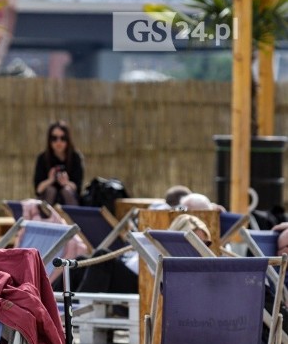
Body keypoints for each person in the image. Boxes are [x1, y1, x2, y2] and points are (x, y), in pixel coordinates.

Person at [71, 214, 213, 294]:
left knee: (102, 258)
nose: (200, 248)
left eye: (205, 244)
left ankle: (77, 307)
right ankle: (56, 308)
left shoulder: (200, 264)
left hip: (141, 289)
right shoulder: (163, 247)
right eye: (194, 242)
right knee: (80, 262)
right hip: (134, 278)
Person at [33, 121, 84, 206]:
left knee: (67, 190)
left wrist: (66, 182)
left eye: (63, 138)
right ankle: (45, 219)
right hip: (47, 200)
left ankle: (72, 219)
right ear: (49, 140)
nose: (58, 142)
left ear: (68, 140)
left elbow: (78, 188)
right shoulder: (42, 158)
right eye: (54, 138)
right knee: (51, 190)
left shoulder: (75, 157)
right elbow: (38, 190)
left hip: (69, 199)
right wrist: (50, 180)